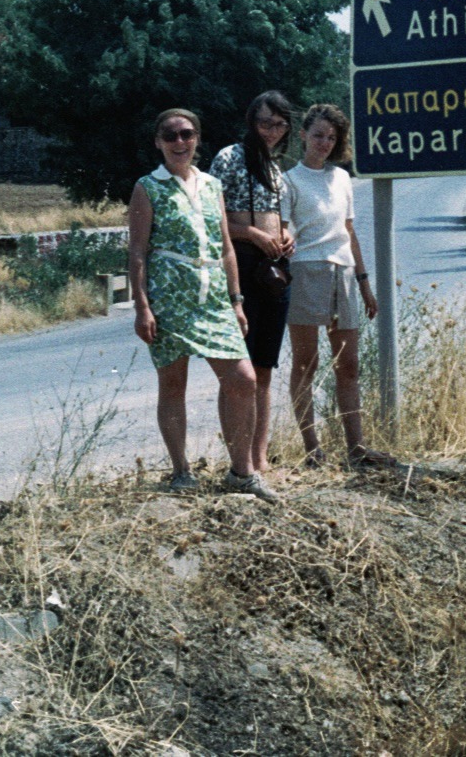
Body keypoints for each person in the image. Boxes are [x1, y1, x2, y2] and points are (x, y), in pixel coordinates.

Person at [128, 108, 278, 501]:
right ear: (158, 142)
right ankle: (181, 471)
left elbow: (226, 246)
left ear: (197, 139)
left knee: (242, 380)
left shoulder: (212, 185)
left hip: (212, 297)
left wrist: (236, 300)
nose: (180, 142)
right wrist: (142, 306)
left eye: (187, 134)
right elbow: (138, 253)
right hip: (170, 298)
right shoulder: (148, 187)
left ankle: (241, 472)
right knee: (173, 383)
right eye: (171, 135)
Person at [282, 103, 396, 468]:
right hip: (305, 271)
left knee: (348, 365)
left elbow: (348, 232)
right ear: (302, 135)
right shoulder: (288, 181)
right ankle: (312, 450)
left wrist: (365, 284)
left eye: (331, 137)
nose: (324, 143)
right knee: (306, 364)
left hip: (344, 273)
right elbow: (284, 230)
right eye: (317, 135)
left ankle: (357, 448)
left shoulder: (342, 178)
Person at [209, 91, 296, 472]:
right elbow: (212, 218)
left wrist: (285, 235)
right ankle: (239, 461)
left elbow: (281, 217)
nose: (272, 131)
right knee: (237, 370)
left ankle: (259, 459)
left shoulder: (277, 169)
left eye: (279, 124)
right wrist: (254, 236)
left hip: (275, 271)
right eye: (264, 123)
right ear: (250, 122)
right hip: (242, 265)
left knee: (263, 368)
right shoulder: (229, 158)